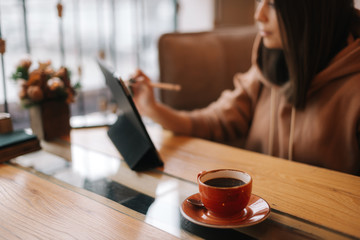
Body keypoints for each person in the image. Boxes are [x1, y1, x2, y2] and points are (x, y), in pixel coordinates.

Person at [130, 0, 360, 175]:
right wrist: (153, 109)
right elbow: (216, 121)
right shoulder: (268, 65)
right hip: (255, 215)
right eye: (260, 0)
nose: (258, 15)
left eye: (273, 4)